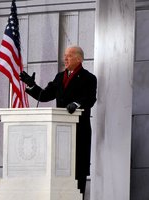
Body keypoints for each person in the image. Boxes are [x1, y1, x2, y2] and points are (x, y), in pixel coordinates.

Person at [19, 45, 97, 198]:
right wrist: (32, 85)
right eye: (65, 55)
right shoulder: (59, 77)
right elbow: (45, 95)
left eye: (69, 55)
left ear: (79, 59)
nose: (65, 59)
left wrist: (76, 104)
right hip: (60, 133)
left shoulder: (89, 78)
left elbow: (90, 98)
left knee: (78, 171)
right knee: (60, 171)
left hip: (79, 132)